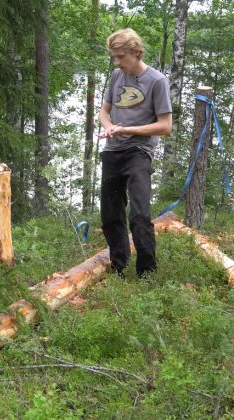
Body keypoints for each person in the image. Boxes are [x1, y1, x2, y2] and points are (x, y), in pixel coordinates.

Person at [98, 28, 172, 278]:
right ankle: (118, 267)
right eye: (115, 58)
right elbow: (104, 112)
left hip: (139, 152)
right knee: (110, 214)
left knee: (139, 214)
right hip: (113, 151)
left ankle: (147, 273)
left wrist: (128, 129)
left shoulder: (157, 81)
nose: (117, 63)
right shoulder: (117, 77)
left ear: (135, 52)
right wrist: (109, 128)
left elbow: (165, 126)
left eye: (121, 57)